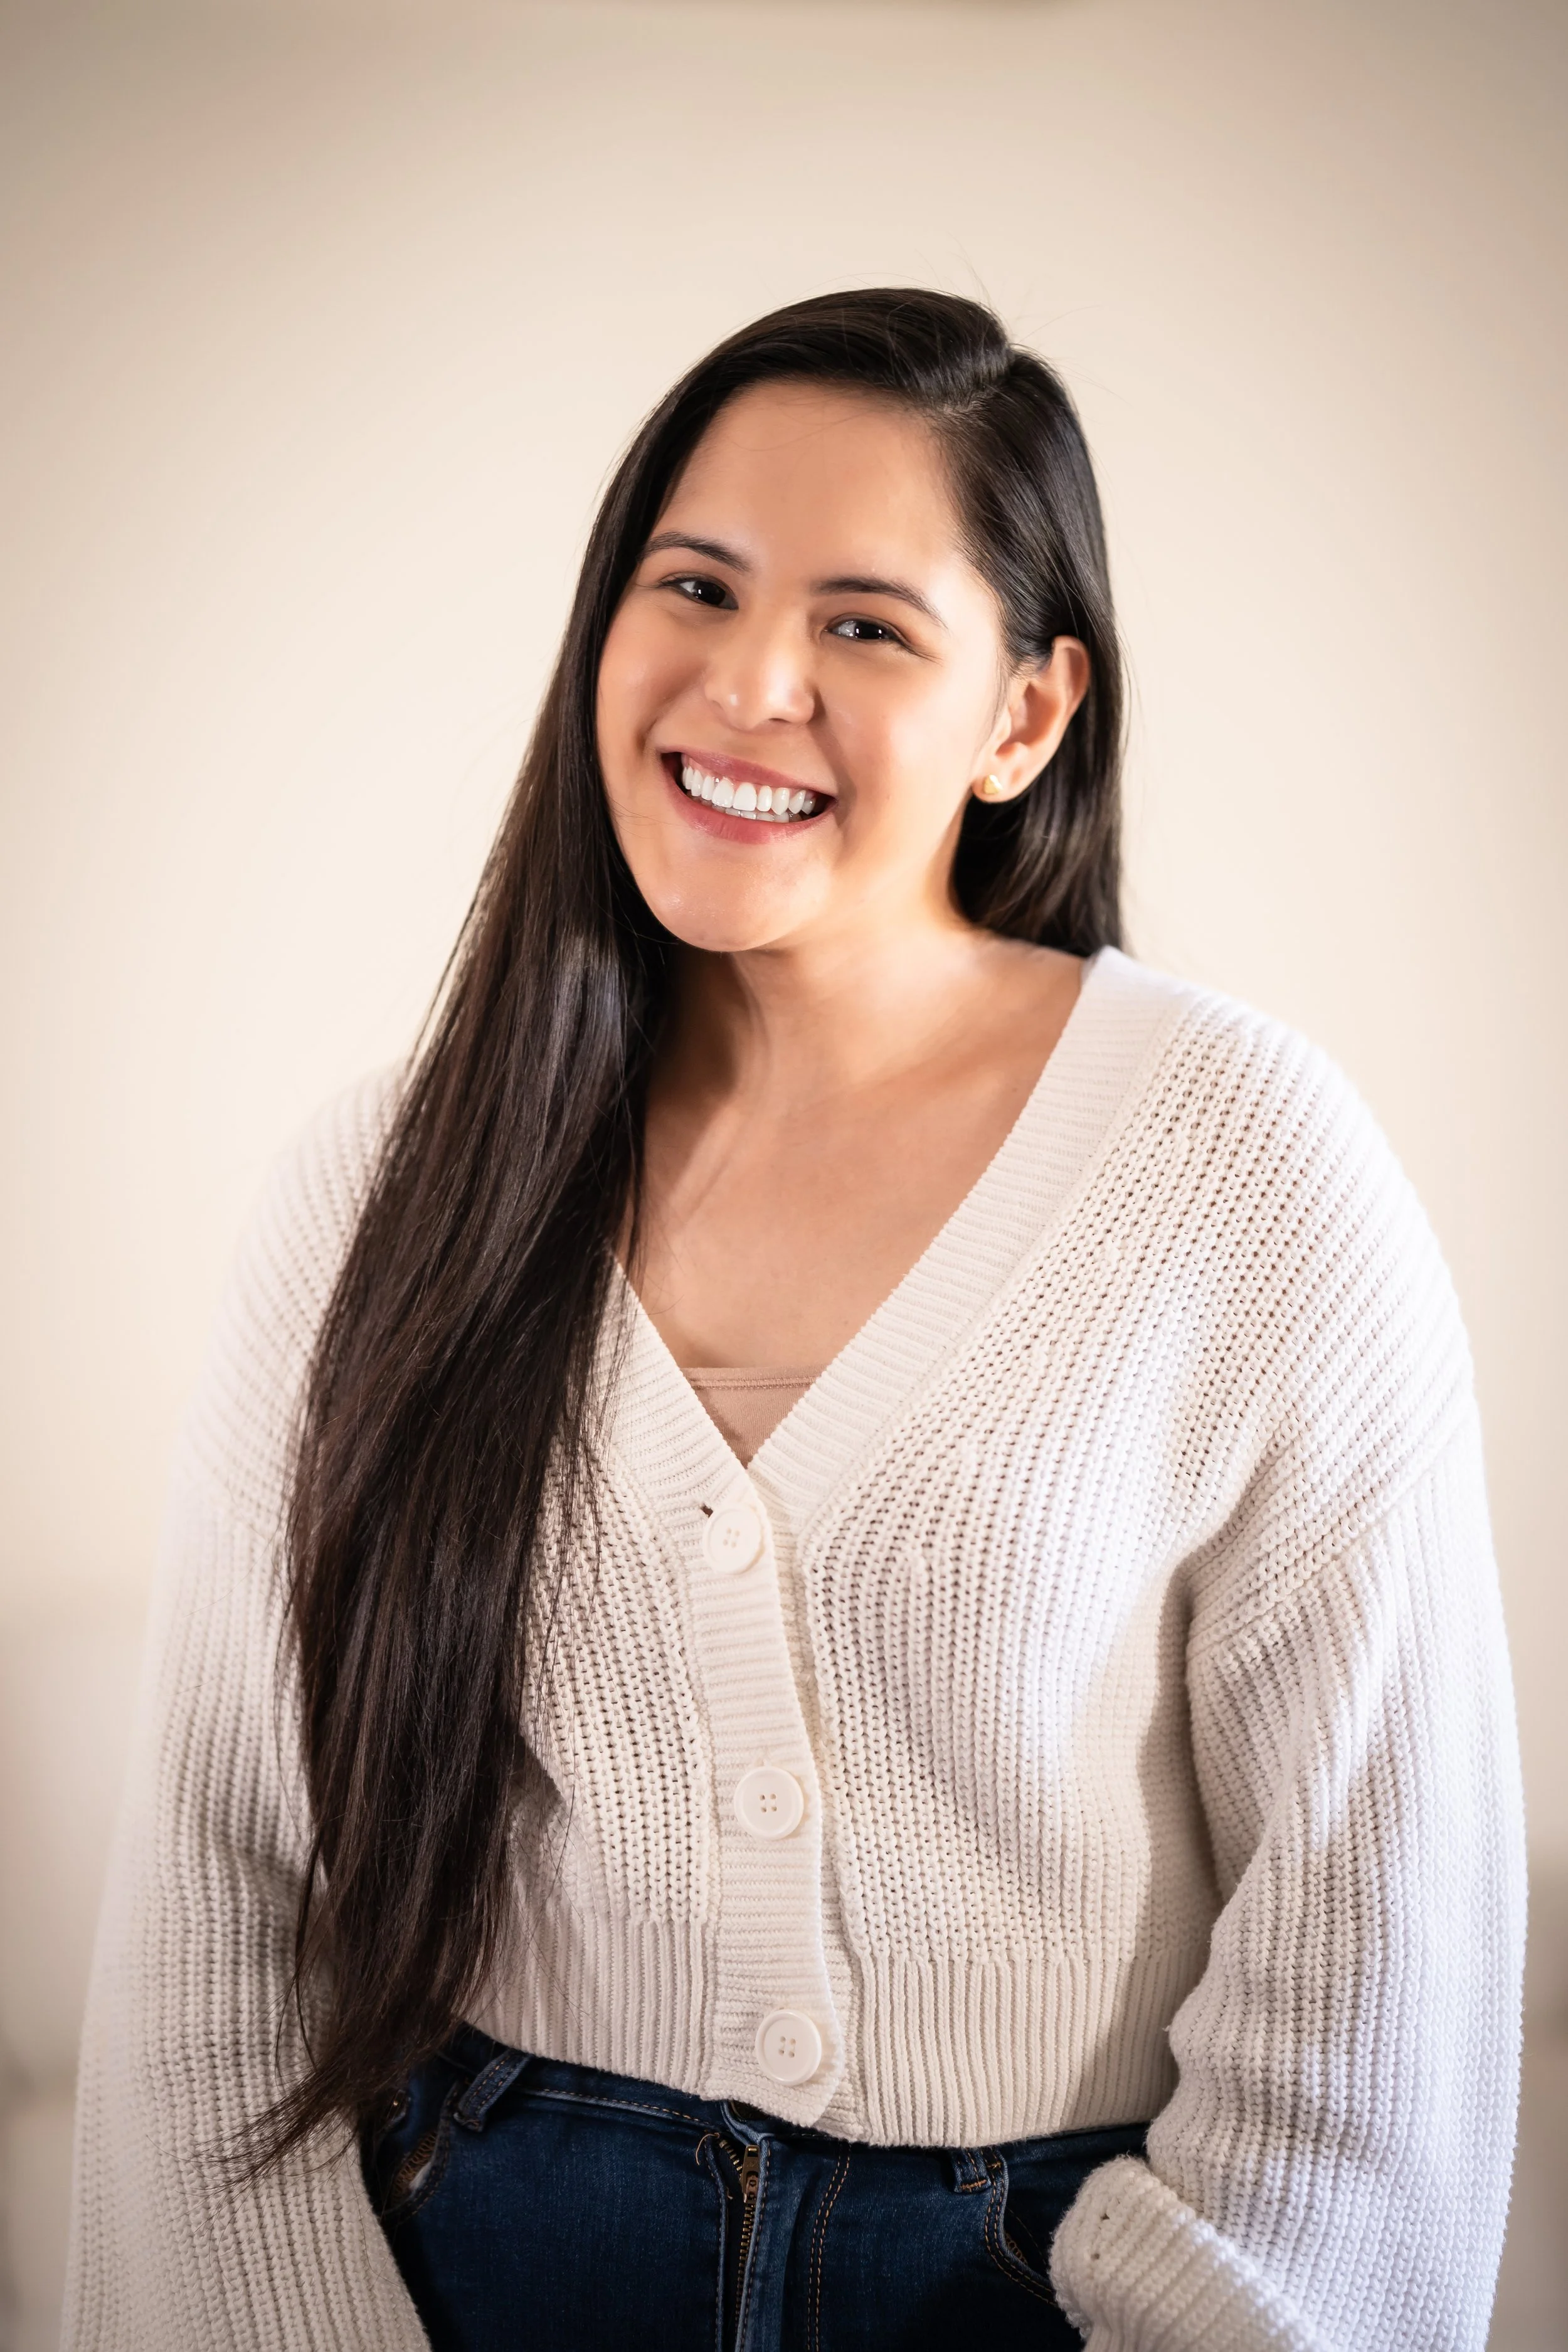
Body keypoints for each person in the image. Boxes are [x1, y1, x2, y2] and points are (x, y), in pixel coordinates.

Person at [64, 289, 1525, 2352]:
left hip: (1036, 2285)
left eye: (863, 623)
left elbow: (1377, 1928)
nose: (749, 683)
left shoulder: (1241, 1162)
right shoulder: (376, 1184)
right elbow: (223, 1894)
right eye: (697, 583)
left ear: (1025, 715)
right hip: (465, 2263)